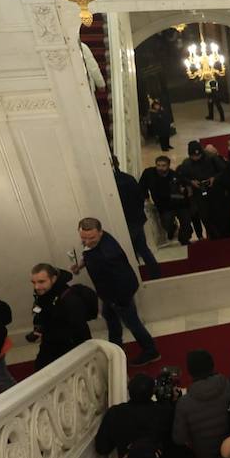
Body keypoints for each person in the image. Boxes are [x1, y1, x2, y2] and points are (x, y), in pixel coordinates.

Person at [71, 218, 161, 366]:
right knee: (110, 317)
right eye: (83, 238)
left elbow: (120, 280)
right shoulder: (99, 239)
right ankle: (116, 347)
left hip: (119, 293)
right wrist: (80, 266)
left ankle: (151, 351)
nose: (86, 242)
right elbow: (88, 252)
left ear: (100, 232)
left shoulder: (108, 255)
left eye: (91, 238)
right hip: (108, 293)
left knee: (132, 323)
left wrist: (115, 300)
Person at [172, 349, 230, 458]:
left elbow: (179, 438)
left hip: (207, 456)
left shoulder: (183, 403)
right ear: (212, 365)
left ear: (190, 372)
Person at [28, 264, 95, 370]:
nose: (36, 287)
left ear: (53, 279)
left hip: (72, 350)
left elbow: (79, 331)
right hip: (50, 344)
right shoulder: (43, 295)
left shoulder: (70, 299)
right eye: (34, 282)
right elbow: (42, 314)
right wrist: (38, 329)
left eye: (41, 282)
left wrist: (48, 333)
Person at [115, 157, 160, 277]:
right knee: (143, 248)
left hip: (127, 221)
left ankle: (136, 274)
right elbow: (139, 197)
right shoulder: (128, 178)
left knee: (130, 251)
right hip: (137, 219)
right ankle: (155, 273)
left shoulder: (113, 183)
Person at [140, 155, 193, 245]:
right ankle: (173, 228)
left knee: (186, 223)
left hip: (179, 203)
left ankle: (184, 239)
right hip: (164, 206)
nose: (160, 168)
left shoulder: (174, 175)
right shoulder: (149, 173)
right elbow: (142, 186)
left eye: (163, 165)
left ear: (168, 165)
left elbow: (185, 185)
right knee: (166, 224)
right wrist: (146, 197)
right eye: (158, 165)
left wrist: (186, 191)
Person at [179, 140, 223, 239]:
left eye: (198, 155)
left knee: (217, 214)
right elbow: (182, 177)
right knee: (205, 216)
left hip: (214, 191)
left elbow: (223, 170)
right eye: (193, 156)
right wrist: (191, 182)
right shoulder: (186, 164)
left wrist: (214, 178)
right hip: (198, 193)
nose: (196, 158)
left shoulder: (211, 158)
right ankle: (213, 236)